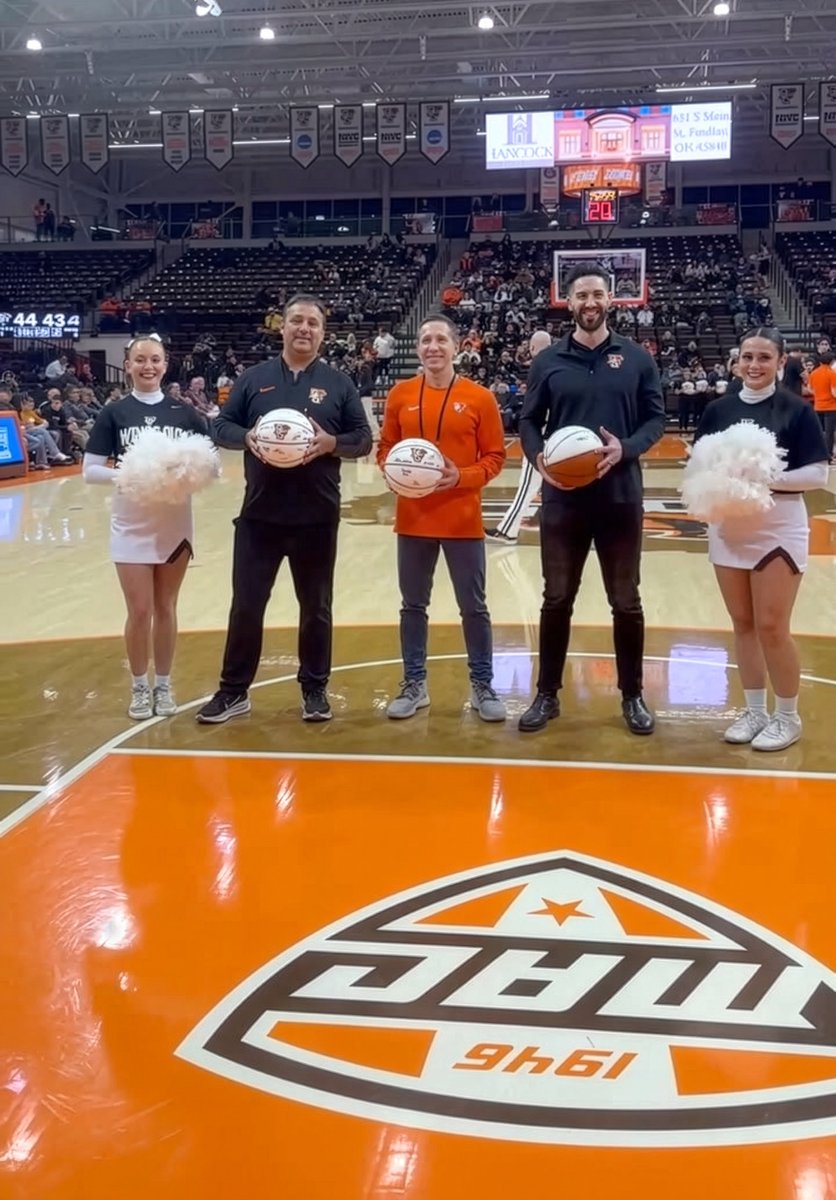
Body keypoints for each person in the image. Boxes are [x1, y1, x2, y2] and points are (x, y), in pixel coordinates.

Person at [197, 294, 372, 726]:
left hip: (316, 516)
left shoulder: (339, 383)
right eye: (297, 321)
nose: (304, 329)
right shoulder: (254, 379)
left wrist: (332, 443)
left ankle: (314, 689)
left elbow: (364, 439)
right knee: (246, 605)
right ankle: (233, 691)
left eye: (313, 323)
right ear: (283, 326)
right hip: (259, 516)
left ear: (323, 333)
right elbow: (221, 425)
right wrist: (248, 438)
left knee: (316, 607)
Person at [518, 265, 665, 735]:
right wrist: (540, 458)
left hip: (620, 497)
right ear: (569, 299)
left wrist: (627, 447)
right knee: (556, 597)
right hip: (564, 499)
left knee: (626, 600)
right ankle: (546, 695)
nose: (590, 302)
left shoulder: (637, 358)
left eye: (597, 294)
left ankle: (632, 695)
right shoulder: (548, 362)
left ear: (611, 300)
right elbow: (526, 422)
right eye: (581, 295)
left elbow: (655, 421)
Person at [694, 328, 829, 751]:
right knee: (744, 625)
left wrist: (761, 480)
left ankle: (787, 717)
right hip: (728, 526)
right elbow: (699, 463)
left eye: (763, 358)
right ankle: (754, 711)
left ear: (779, 361)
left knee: (772, 626)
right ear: (736, 362)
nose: (753, 365)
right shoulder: (717, 409)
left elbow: (817, 475)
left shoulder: (796, 410)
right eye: (747, 357)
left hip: (777, 527)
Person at [377, 313, 507, 721]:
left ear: (456, 347)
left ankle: (482, 685)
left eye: (441, 340)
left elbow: (496, 457)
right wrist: (393, 472)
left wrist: (459, 477)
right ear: (418, 348)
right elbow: (385, 449)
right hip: (412, 518)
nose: (432, 347)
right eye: (425, 340)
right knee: (412, 605)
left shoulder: (480, 397)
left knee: (474, 607)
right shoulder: (399, 394)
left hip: (461, 519)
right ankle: (415, 684)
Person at [83, 334, 208, 720]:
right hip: (131, 521)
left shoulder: (185, 413)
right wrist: (131, 474)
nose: (148, 366)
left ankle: (164, 685)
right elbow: (90, 470)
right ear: (129, 365)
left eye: (155, 360)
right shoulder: (113, 413)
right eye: (140, 360)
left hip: (174, 523)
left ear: (165, 364)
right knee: (139, 611)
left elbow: (209, 464)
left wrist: (187, 473)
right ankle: (139, 686)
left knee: (166, 607)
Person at [485, 329, 552, 545]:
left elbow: (535, 408)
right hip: (562, 436)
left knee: (528, 485)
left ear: (532, 348)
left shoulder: (539, 368)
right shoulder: (562, 365)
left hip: (541, 436)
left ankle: (508, 531)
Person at [808, 350, 836, 462]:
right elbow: (834, 392)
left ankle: (817, 455)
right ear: (831, 362)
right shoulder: (832, 374)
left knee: (819, 432)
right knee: (829, 434)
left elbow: (810, 389)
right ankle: (828, 456)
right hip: (831, 407)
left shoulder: (814, 373)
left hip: (818, 406)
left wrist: (819, 395)